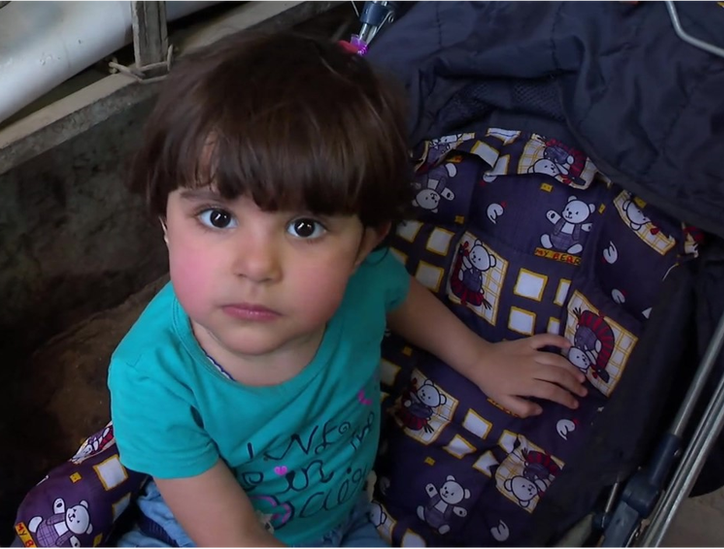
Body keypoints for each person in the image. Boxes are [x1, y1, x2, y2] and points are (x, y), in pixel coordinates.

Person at [108, 30, 587, 549]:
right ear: (164, 220)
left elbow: (399, 295)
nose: (256, 266)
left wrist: (481, 359)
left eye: (305, 227)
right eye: (218, 216)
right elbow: (234, 538)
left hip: (348, 520)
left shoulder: (361, 281)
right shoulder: (152, 379)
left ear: (365, 244)